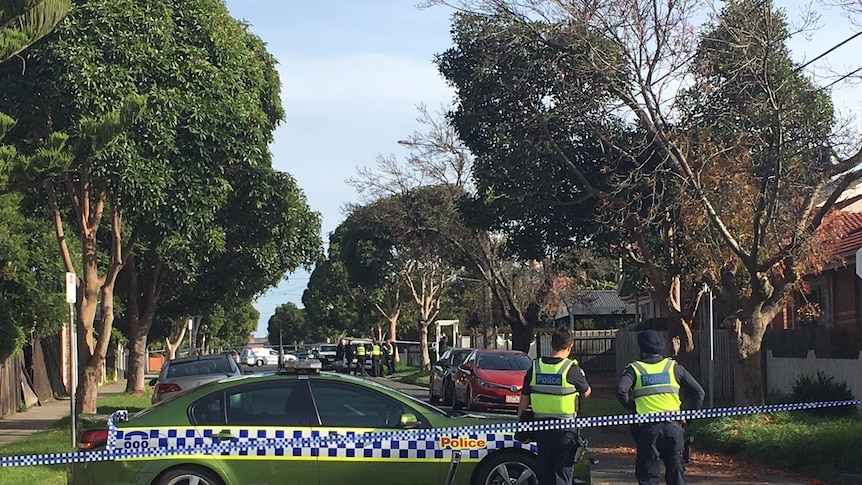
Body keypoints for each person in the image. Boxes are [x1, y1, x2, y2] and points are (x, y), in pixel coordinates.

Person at [616, 329, 705, 485]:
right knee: (676, 472)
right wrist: (689, 419)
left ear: (642, 349)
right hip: (674, 428)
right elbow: (699, 392)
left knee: (649, 475)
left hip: (648, 430)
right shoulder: (674, 367)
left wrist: (631, 406)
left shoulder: (635, 369)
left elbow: (621, 390)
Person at [517, 326, 591, 485]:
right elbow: (586, 394)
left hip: (542, 430)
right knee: (562, 474)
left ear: (551, 345)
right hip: (565, 432)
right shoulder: (572, 370)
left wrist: (522, 428)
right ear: (570, 347)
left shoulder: (535, 368)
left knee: (544, 473)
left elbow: (524, 400)